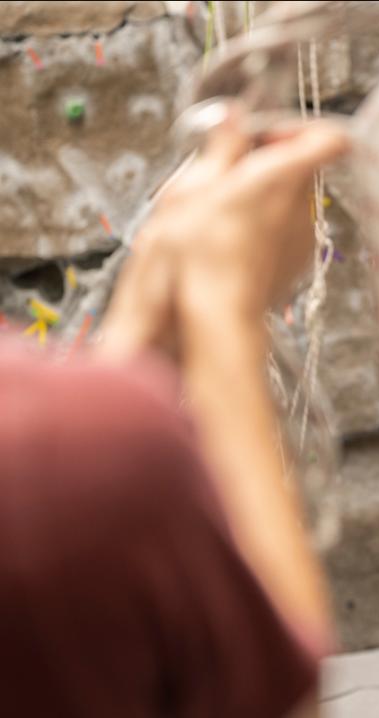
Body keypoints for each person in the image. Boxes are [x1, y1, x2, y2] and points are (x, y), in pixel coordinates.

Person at [0, 105, 350, 717]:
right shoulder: (64, 441)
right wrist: (225, 309)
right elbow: (281, 699)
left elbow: (68, 504)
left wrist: (145, 327)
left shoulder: (64, 438)